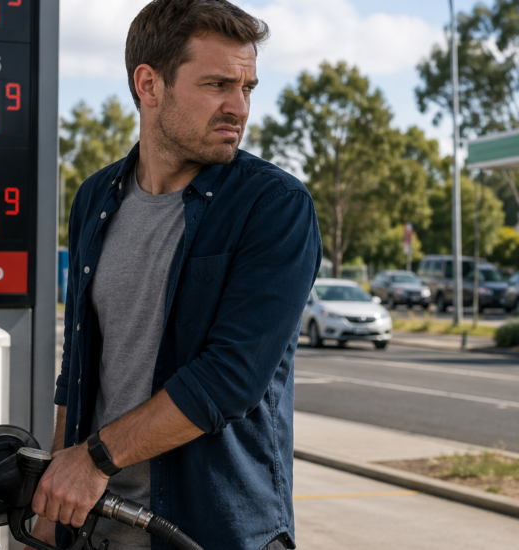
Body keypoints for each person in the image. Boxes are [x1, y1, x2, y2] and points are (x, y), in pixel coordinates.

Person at [30, 1, 321, 549]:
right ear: (149, 84)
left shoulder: (274, 206)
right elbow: (82, 364)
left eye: (248, 87)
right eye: (217, 84)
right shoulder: (96, 197)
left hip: (210, 532)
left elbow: (228, 378)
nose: (238, 106)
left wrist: (91, 461)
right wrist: (53, 497)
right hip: (96, 525)